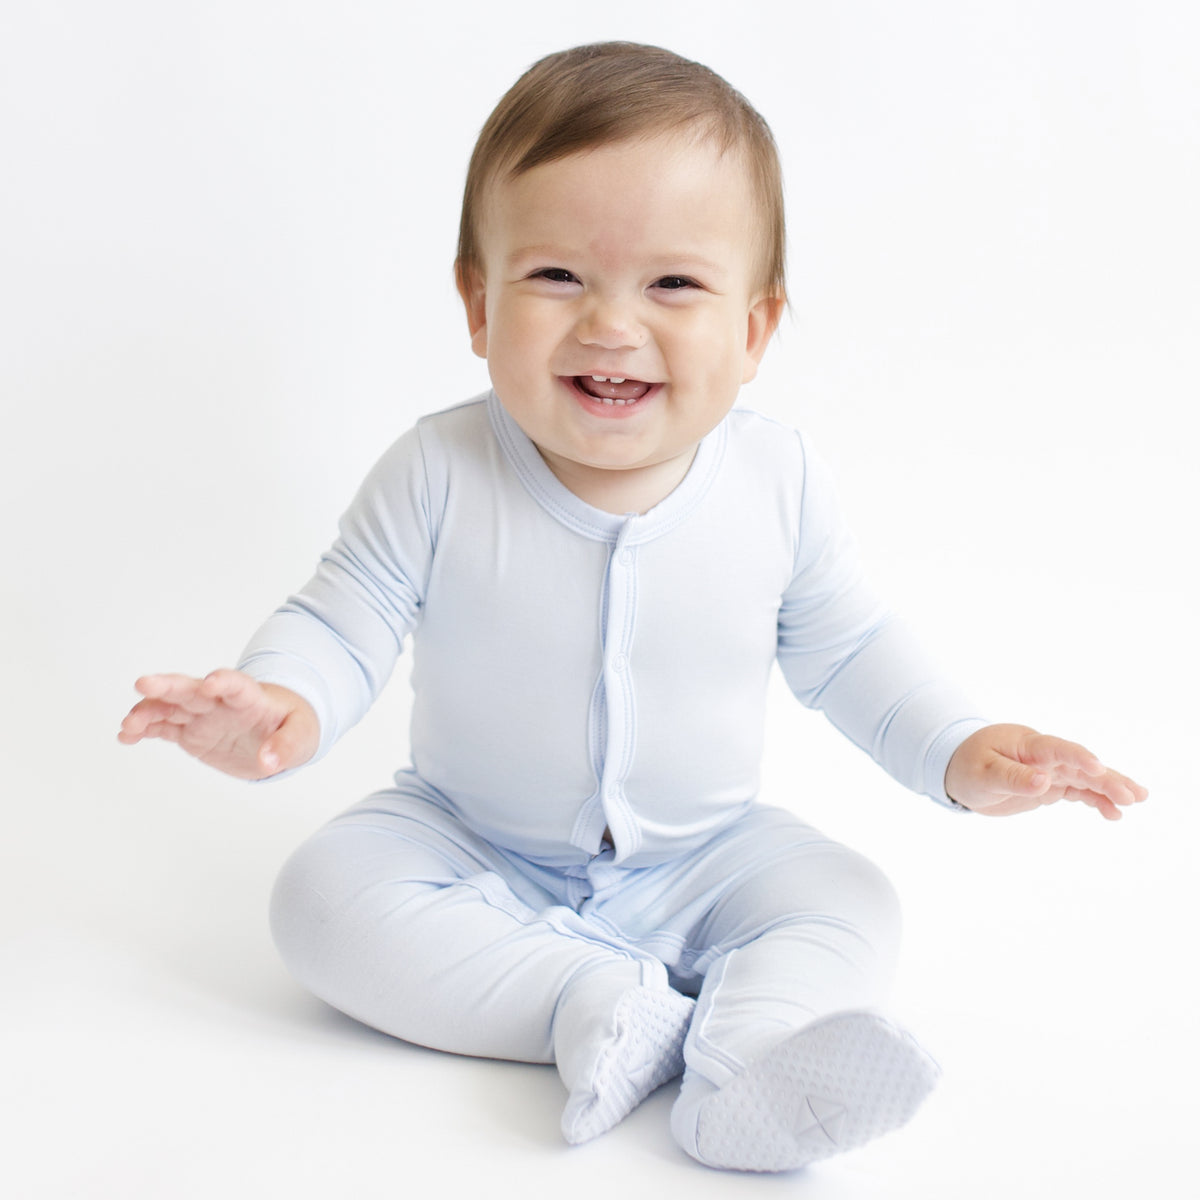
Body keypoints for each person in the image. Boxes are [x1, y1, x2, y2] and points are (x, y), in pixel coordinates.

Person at [119, 42, 1147, 1172]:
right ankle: (593, 1000)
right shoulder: (438, 470)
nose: (611, 325)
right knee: (320, 902)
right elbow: (343, 615)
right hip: (470, 837)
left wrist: (961, 748)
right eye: (558, 277)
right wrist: (278, 701)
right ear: (477, 301)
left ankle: (753, 1065)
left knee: (851, 901)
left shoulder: (777, 484)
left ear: (755, 331)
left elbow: (851, 651)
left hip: (706, 857)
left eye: (673, 284)